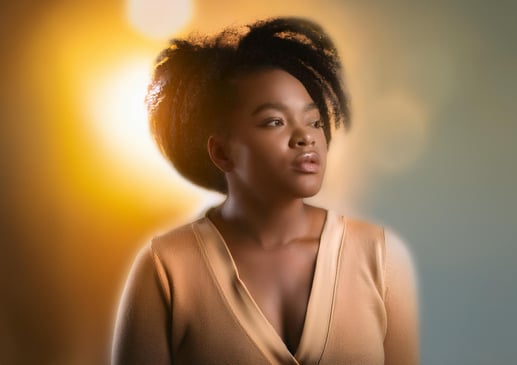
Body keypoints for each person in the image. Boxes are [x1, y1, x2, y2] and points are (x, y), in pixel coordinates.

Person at [111, 17, 419, 365]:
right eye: (275, 121)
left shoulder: (380, 257)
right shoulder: (165, 269)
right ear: (222, 152)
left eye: (314, 121)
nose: (305, 136)